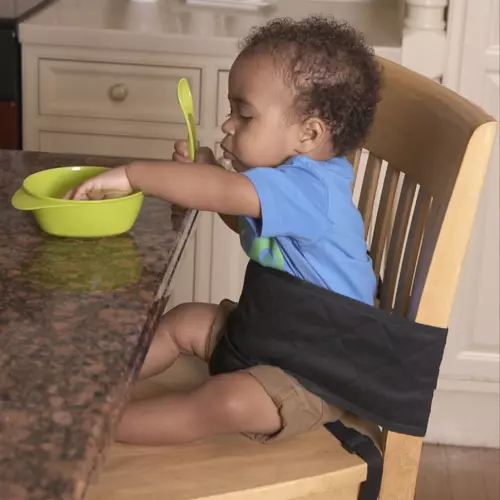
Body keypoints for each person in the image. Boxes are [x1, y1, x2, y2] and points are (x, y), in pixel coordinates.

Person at [68, 15, 382, 446]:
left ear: (308, 134)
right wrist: (210, 173)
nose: (227, 125)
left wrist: (134, 175)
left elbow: (222, 194)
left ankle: (87, 428)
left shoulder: (311, 190)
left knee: (226, 402)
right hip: (270, 336)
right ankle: (86, 388)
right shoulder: (283, 185)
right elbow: (239, 215)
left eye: (245, 114)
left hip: (319, 371)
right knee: (182, 322)